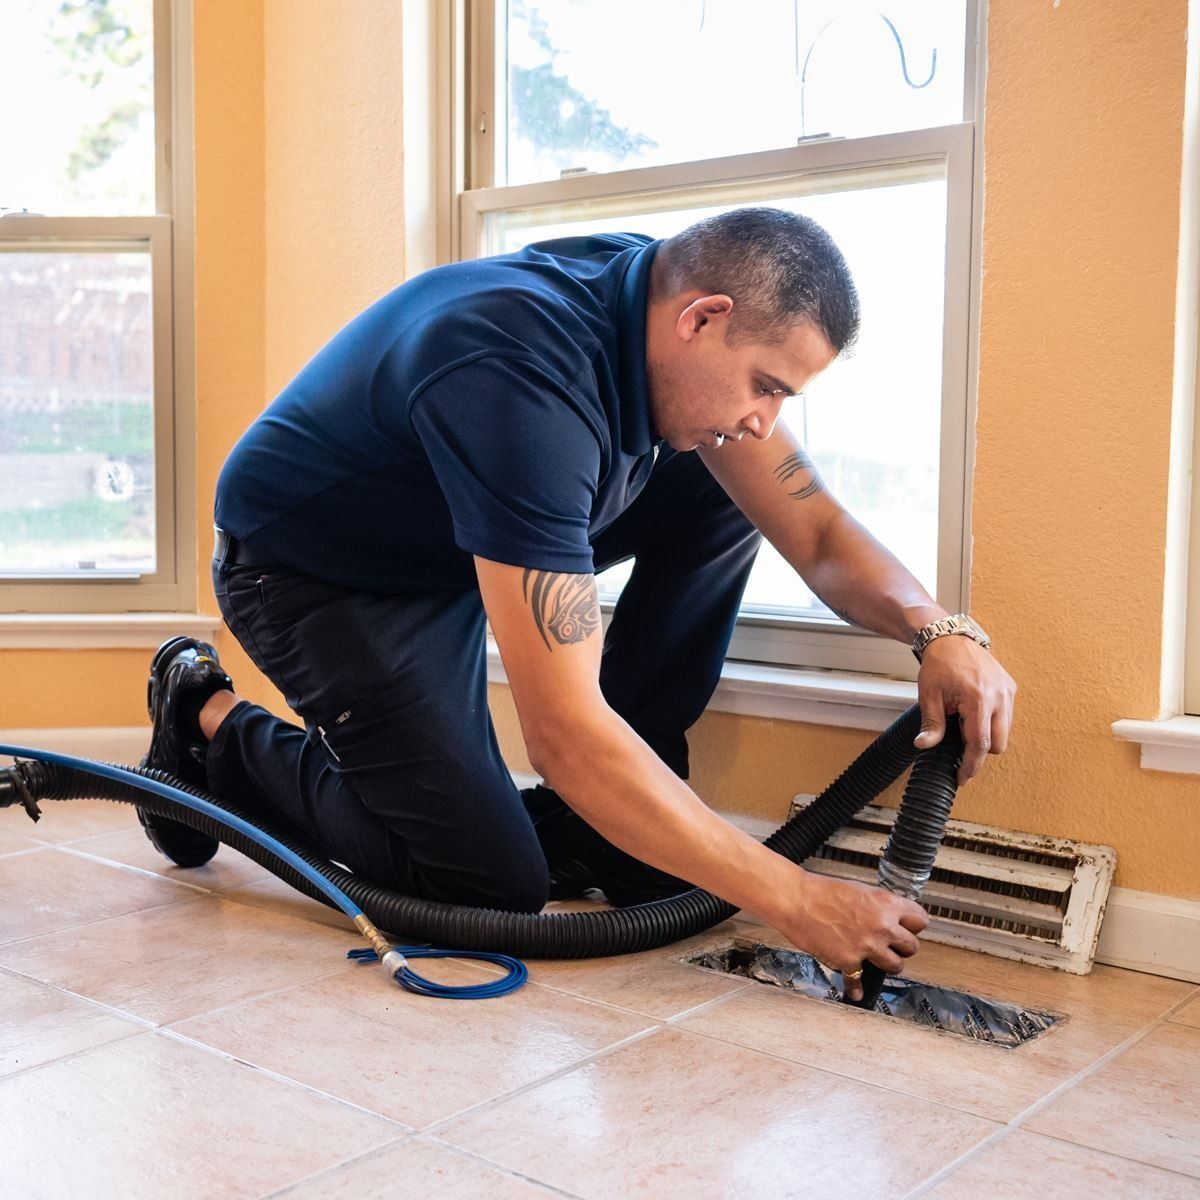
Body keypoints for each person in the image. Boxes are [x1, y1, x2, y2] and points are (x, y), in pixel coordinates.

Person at [138, 208, 1015, 1001]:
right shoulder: (522, 382)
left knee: (724, 487)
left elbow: (816, 533)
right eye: (767, 385)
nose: (764, 420)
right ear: (702, 318)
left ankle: (615, 821)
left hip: (452, 537)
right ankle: (202, 716)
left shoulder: (659, 314)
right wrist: (793, 896)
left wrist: (941, 630)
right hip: (320, 573)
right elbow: (562, 736)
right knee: (481, 885)